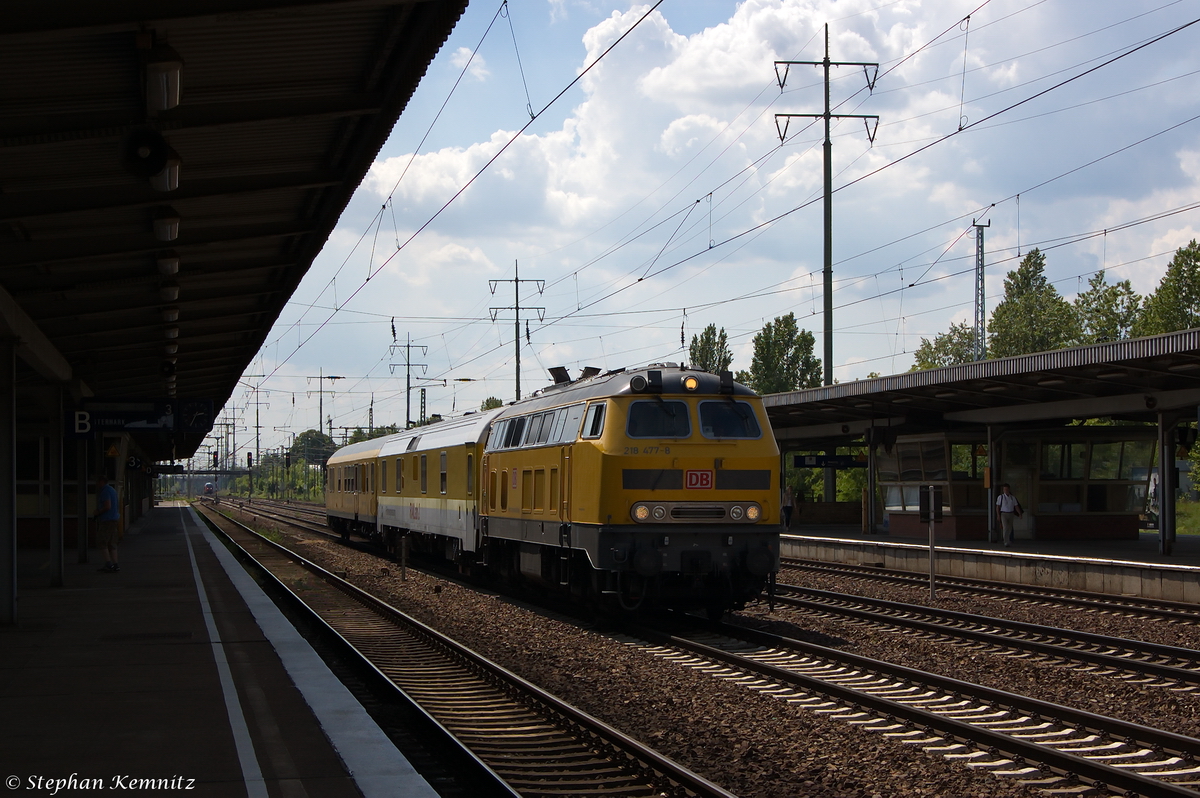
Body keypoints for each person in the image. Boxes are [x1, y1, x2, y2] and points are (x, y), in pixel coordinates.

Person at [95, 476, 121, 572]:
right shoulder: (112, 490)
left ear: (101, 481)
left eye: (97, 482)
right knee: (112, 543)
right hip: (114, 519)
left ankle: (108, 563)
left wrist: (98, 512)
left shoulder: (105, 491)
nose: (96, 484)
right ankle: (115, 564)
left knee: (102, 541)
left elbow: (107, 506)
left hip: (107, 520)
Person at [995, 482, 1021, 547]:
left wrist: (1019, 513)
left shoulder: (1012, 498)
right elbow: (998, 506)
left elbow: (1016, 506)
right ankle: (1006, 541)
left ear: (1009, 489)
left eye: (1006, 489)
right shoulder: (1001, 497)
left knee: (1009, 528)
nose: (1006, 491)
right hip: (1003, 513)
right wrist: (998, 515)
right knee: (1005, 527)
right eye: (1004, 490)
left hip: (1011, 513)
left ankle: (1008, 539)